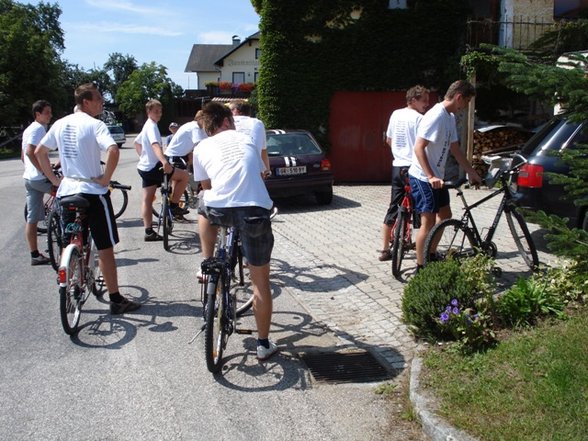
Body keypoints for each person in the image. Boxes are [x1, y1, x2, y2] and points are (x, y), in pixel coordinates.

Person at [35, 83, 140, 314]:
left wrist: (54, 180)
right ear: (86, 102)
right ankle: (116, 298)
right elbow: (113, 150)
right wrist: (105, 179)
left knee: (70, 240)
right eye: (98, 99)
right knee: (105, 247)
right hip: (92, 193)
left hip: (67, 191)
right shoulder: (96, 125)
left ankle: (69, 280)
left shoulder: (60, 124)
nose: (102, 102)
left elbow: (39, 152)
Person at [193, 102, 278, 361]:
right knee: (260, 283)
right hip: (254, 211)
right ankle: (263, 345)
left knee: (203, 200)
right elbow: (260, 170)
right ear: (229, 120)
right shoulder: (247, 138)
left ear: (208, 127)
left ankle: (207, 261)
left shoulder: (201, 147)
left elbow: (206, 184)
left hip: (219, 209)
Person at [408, 80, 482, 273]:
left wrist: (471, 172)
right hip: (423, 177)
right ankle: (421, 267)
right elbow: (418, 148)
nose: (465, 107)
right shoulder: (435, 116)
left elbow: (455, 149)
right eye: (466, 102)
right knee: (428, 221)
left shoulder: (449, 117)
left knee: (446, 215)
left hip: (436, 177)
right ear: (459, 98)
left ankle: (430, 253)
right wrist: (431, 175)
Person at [378, 86, 430, 261]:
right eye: (424, 100)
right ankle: (421, 246)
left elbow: (389, 139)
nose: (427, 104)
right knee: (421, 208)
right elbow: (422, 146)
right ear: (413, 100)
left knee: (394, 206)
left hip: (397, 166)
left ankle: (384, 249)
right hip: (413, 167)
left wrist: (398, 153)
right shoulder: (419, 119)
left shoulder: (395, 114)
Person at [136, 100, 190, 241]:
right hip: (155, 167)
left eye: (160, 111)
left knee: (147, 200)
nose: (159, 114)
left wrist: (143, 156)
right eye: (156, 111)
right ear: (148, 112)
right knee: (184, 176)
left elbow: (137, 142)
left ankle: (148, 231)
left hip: (144, 167)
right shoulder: (152, 126)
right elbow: (155, 145)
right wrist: (164, 161)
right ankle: (173, 205)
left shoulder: (146, 125)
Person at [21, 100, 54, 265]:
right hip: (38, 178)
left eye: (50, 112)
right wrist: (43, 171)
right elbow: (29, 152)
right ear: (38, 114)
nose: (50, 115)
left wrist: (36, 168)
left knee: (31, 218)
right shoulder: (38, 129)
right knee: (65, 195)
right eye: (47, 112)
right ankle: (66, 239)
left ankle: (34, 254)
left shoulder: (28, 129)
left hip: (28, 178)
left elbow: (23, 155)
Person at [228, 99, 270, 175]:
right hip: (255, 169)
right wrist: (267, 170)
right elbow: (263, 150)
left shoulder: (227, 122)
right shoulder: (258, 123)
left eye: (229, 110)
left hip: (230, 169)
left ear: (235, 111)